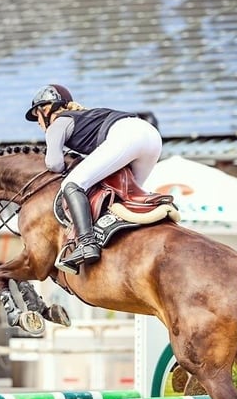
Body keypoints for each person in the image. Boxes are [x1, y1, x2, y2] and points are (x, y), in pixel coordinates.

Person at [25, 84, 163, 271]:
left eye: (37, 117)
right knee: (127, 197)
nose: (39, 124)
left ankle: (87, 243)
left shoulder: (57, 123)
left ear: (46, 109)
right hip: (152, 137)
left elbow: (54, 164)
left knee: (72, 183)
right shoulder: (84, 116)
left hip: (127, 136)